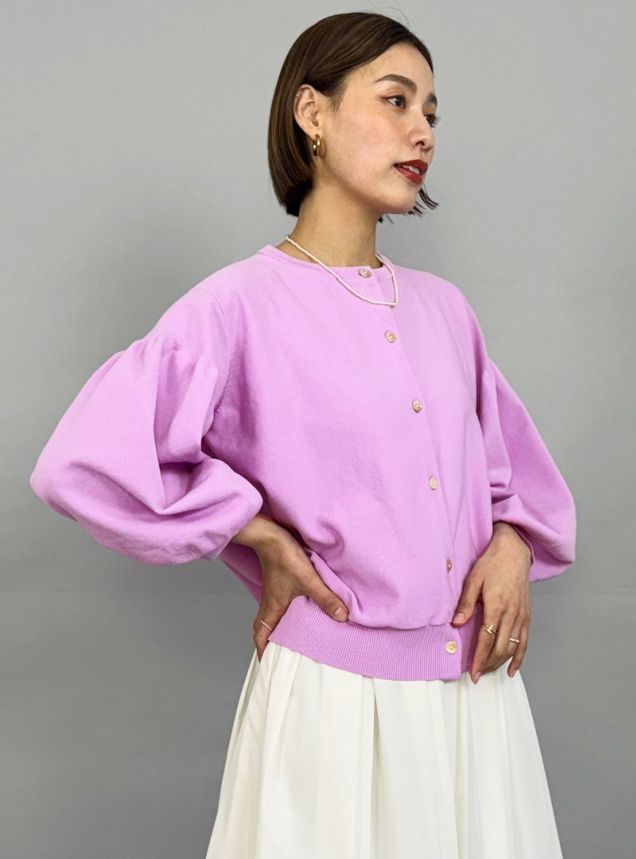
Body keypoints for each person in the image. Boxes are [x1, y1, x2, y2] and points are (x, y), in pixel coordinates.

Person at [29, 12, 576, 859]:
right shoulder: (237, 306)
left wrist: (511, 544)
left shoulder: (445, 311)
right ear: (312, 114)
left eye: (431, 112)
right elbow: (83, 462)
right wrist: (251, 530)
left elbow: (516, 481)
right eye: (395, 101)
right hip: (333, 709)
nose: (422, 131)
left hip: (475, 703)